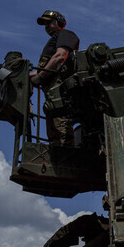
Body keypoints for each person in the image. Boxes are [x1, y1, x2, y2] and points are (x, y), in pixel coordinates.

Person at [31, 10, 80, 145]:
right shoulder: (53, 40)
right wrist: (26, 76)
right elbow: (45, 68)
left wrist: (40, 76)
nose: (46, 26)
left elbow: (60, 57)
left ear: (60, 22)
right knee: (54, 131)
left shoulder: (65, 34)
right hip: (51, 93)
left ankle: (67, 157)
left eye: (49, 22)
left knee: (62, 126)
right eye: (44, 24)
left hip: (59, 90)